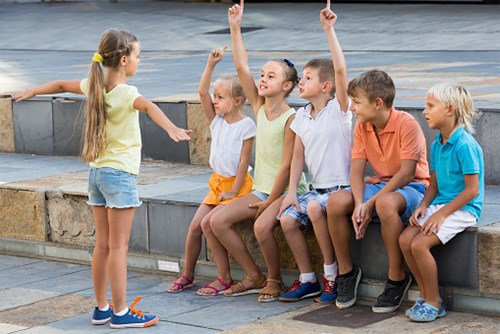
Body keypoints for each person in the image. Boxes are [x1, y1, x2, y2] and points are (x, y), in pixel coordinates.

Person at [13, 29, 191, 329]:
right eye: (137, 56)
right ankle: (121, 313)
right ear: (123, 60)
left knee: (103, 246)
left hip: (96, 174)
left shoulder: (93, 85)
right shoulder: (126, 92)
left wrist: (32, 91)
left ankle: (101, 308)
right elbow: (149, 106)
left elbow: (59, 84)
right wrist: (172, 128)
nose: (139, 61)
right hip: (119, 175)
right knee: (119, 248)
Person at [204, 0, 307, 301]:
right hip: (261, 188)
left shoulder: (291, 118)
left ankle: (274, 280)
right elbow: (241, 66)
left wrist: (270, 201)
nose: (262, 79)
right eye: (263, 74)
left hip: (286, 189)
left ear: (288, 86)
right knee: (216, 220)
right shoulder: (260, 107)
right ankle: (253, 275)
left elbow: (288, 166)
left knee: (262, 226)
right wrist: (235, 28)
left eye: (271, 76)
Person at [327, 69, 430, 313]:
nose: (352, 107)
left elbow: (406, 173)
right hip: (382, 184)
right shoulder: (363, 126)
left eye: (357, 102)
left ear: (378, 103)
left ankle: (396, 277)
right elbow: (356, 171)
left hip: (413, 186)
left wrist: (370, 203)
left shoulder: (407, 124)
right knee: (335, 201)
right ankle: (347, 273)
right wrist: (360, 201)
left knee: (384, 204)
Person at [276, 1, 351, 304]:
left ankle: (331, 274)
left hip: (340, 189)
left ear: (326, 86)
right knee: (286, 218)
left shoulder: (340, 110)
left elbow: (342, 70)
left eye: (307, 78)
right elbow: (297, 157)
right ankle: (309, 279)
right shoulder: (301, 116)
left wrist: (329, 30)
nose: (300, 82)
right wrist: (292, 191)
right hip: (314, 191)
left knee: (316, 209)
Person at [167, 46, 256, 296]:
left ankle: (224, 277)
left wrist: (234, 191)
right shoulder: (216, 121)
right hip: (217, 183)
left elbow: (243, 163)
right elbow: (201, 91)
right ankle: (188, 273)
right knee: (195, 226)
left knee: (208, 224)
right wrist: (211, 64)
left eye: (221, 97)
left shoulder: (246, 126)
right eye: (215, 96)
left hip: (238, 185)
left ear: (237, 101)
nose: (215, 100)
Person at [400, 83, 483, 322]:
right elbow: (433, 186)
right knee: (405, 239)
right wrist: (424, 206)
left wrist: (441, 214)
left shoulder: (465, 145)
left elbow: (471, 191)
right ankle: (425, 295)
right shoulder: (437, 143)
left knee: (418, 245)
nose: (424, 111)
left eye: (430, 106)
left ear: (450, 109)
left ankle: (435, 301)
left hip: (464, 208)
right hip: (442, 204)